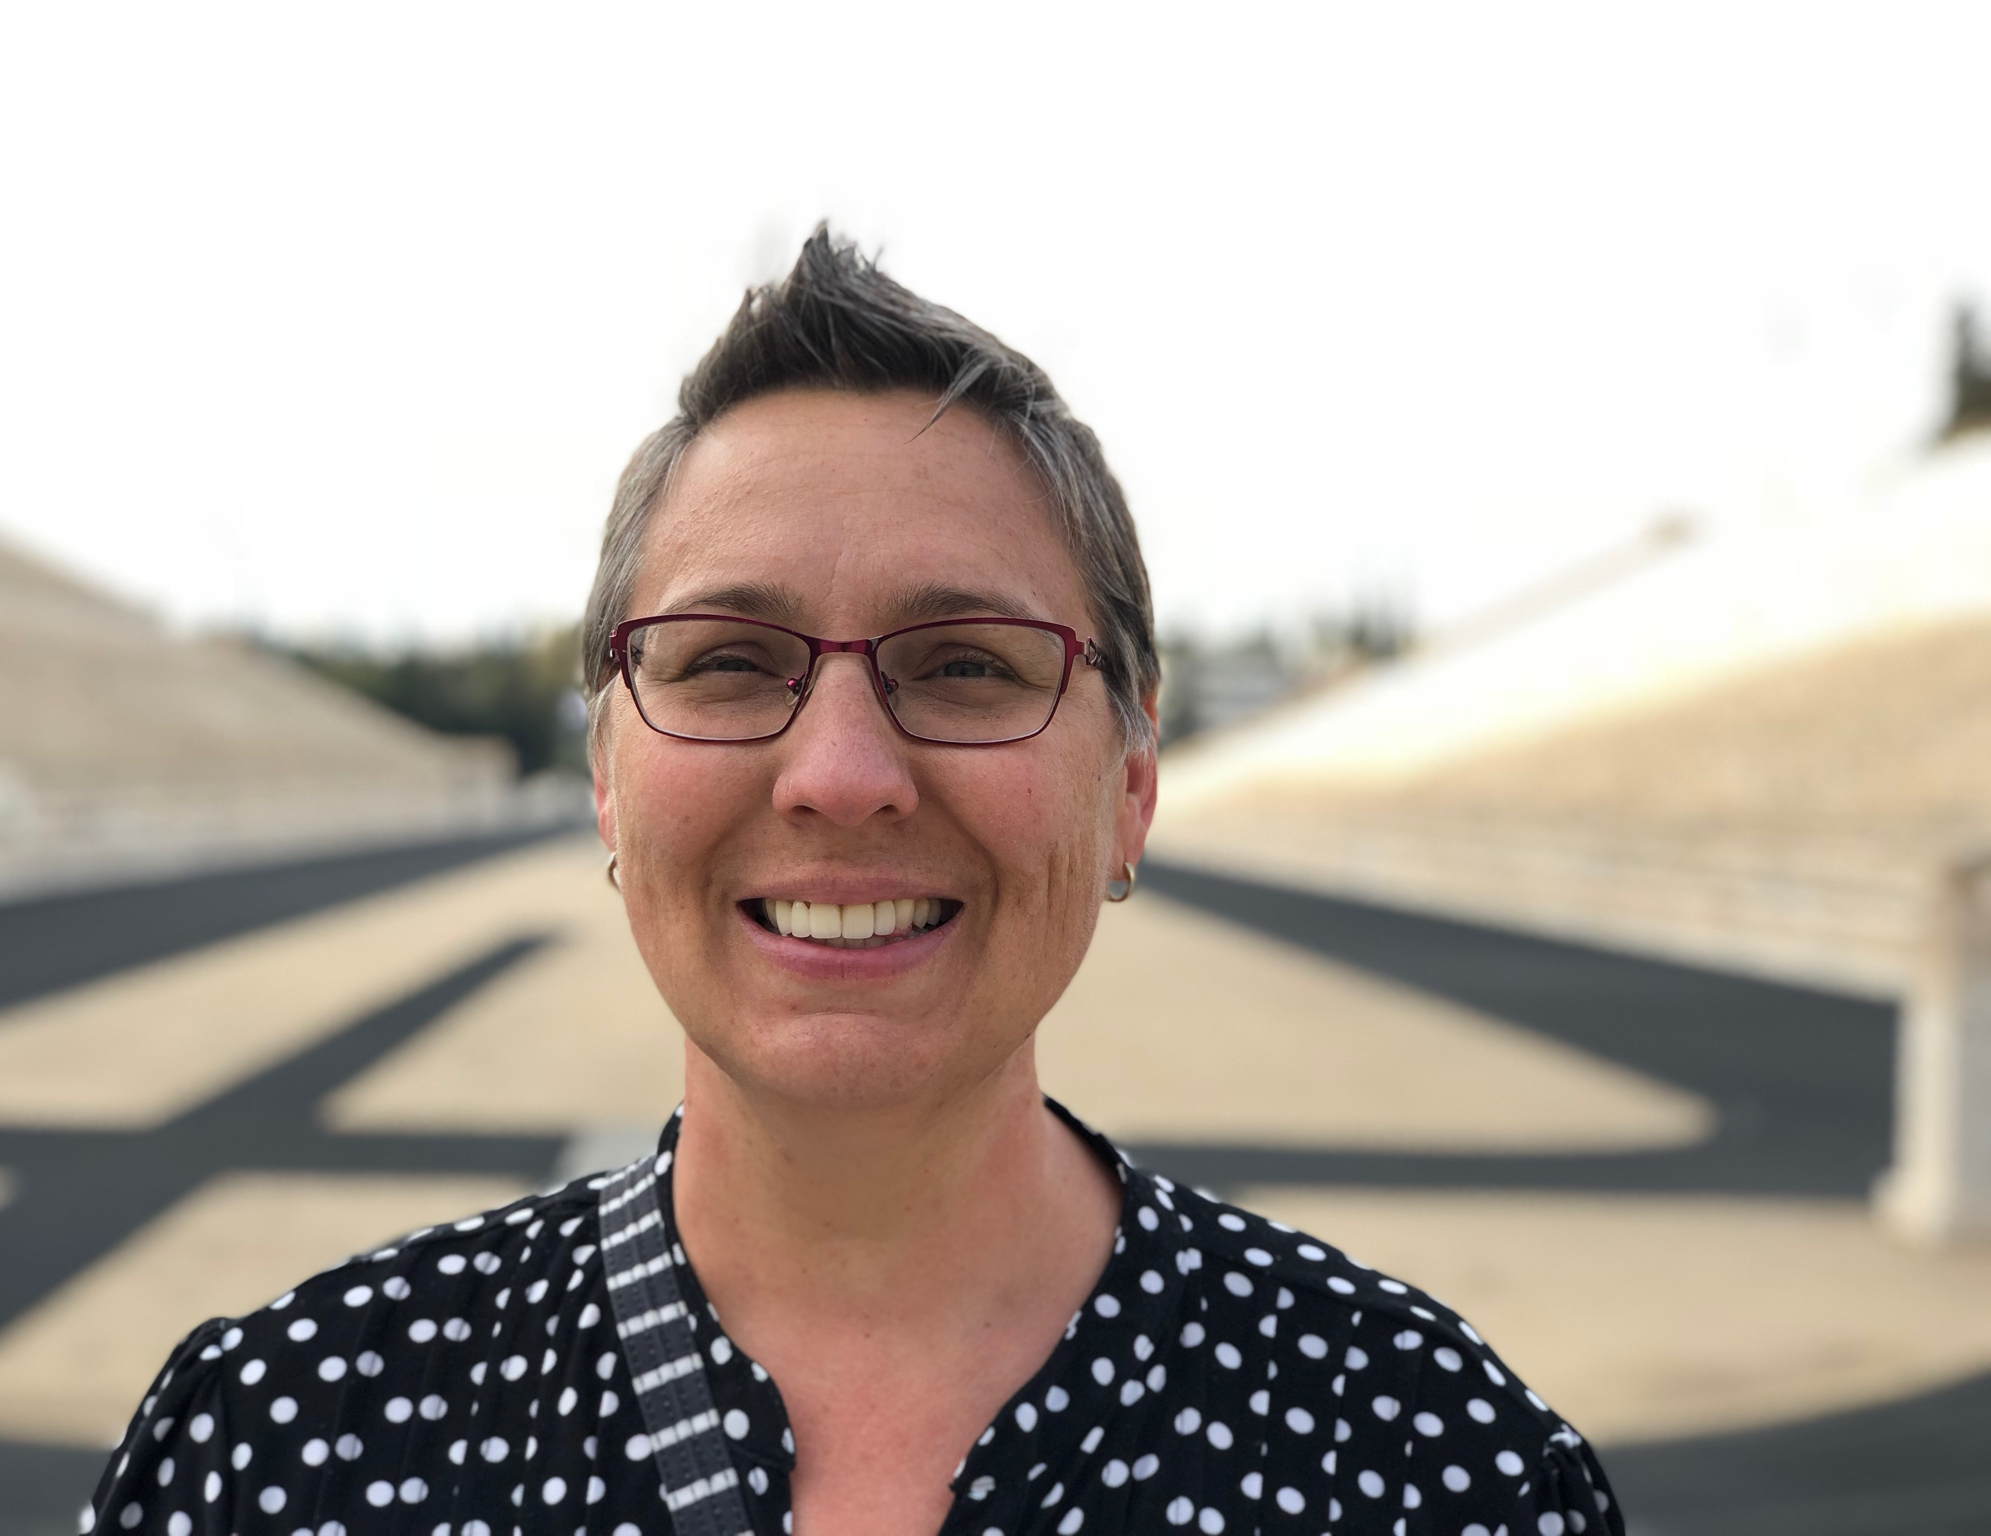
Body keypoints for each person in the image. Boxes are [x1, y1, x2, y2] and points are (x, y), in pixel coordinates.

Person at [87, 230, 1622, 1536]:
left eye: (964, 665)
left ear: (1132, 789)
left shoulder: (1437, 1470)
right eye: (729, 660)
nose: (839, 772)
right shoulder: (275, 1450)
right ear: (609, 781)